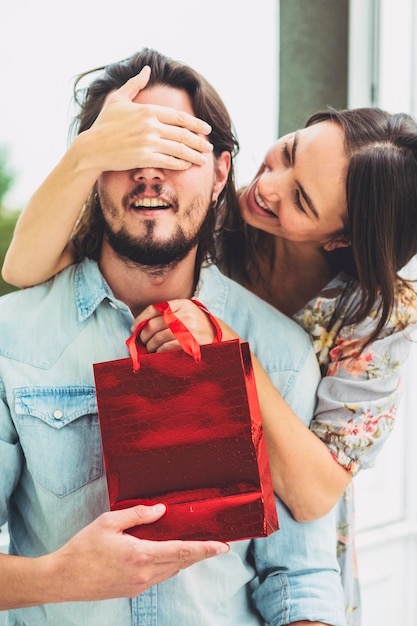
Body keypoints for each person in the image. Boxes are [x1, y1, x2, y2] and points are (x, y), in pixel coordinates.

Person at [5, 57, 417, 626]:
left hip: (301, 495)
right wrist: (90, 151)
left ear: (339, 236)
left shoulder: (365, 321)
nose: (267, 187)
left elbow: (312, 513)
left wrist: (234, 357)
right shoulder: (214, 228)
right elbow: (23, 268)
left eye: (300, 199)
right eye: (286, 155)